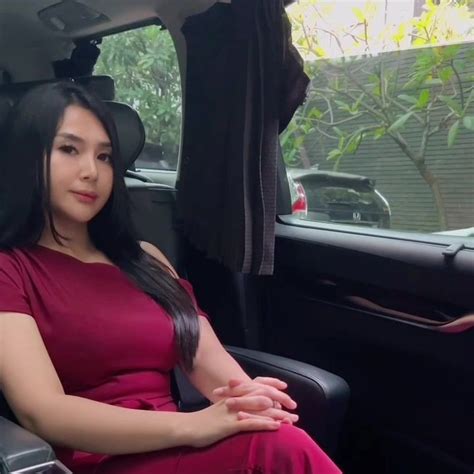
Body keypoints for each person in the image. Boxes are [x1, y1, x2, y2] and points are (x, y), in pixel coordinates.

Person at [0, 82, 341, 473]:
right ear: (28, 156)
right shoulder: (10, 269)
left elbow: (206, 357)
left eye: (105, 156)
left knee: (273, 432)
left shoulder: (145, 258)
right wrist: (193, 426)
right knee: (275, 449)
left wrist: (248, 399)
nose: (91, 172)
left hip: (180, 444)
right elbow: (42, 412)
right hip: (99, 458)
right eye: (69, 149)